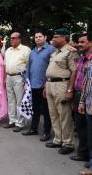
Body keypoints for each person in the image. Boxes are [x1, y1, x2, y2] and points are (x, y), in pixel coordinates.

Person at [45, 27, 79, 155]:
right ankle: (58, 139)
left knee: (64, 115)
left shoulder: (70, 52)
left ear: (63, 38)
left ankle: (68, 143)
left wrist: (70, 89)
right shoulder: (55, 52)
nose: (53, 39)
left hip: (62, 85)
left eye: (56, 37)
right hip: (50, 84)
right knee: (53, 114)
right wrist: (45, 85)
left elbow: (74, 71)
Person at [21, 29, 54, 142]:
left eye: (40, 36)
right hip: (32, 85)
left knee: (45, 110)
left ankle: (46, 132)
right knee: (35, 109)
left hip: (44, 85)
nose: (38, 38)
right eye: (36, 37)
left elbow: (52, 68)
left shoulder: (51, 50)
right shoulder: (33, 51)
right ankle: (33, 128)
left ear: (45, 37)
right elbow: (28, 67)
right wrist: (26, 81)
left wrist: (47, 83)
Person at [3, 31, 31, 132]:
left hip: (20, 77)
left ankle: (20, 123)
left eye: (14, 38)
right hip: (9, 77)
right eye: (11, 38)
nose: (12, 40)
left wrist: (26, 81)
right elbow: (5, 65)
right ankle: (12, 120)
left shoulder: (26, 50)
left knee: (19, 101)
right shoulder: (8, 50)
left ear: (19, 39)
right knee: (10, 100)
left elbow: (29, 66)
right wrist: (5, 78)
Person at [71, 33, 91, 162]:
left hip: (88, 98)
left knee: (89, 128)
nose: (79, 44)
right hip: (79, 95)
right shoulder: (82, 57)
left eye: (83, 42)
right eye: (78, 42)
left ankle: (89, 158)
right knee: (81, 126)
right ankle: (83, 154)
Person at [78, 32, 92, 175]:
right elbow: (86, 82)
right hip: (88, 102)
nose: (80, 45)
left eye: (83, 42)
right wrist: (82, 101)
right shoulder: (86, 60)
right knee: (88, 133)